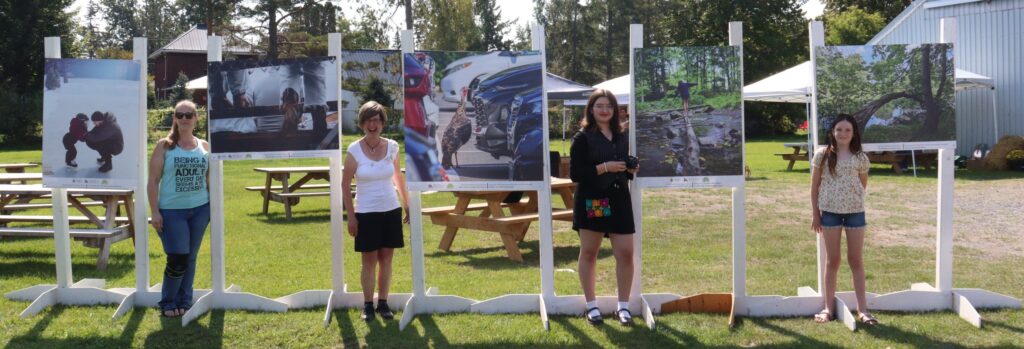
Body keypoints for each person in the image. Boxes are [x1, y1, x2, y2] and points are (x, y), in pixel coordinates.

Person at [569, 89, 639, 326]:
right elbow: (575, 174)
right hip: (594, 199)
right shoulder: (582, 137)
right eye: (599, 105)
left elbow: (624, 166)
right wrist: (605, 167)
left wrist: (629, 168)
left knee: (626, 254)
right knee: (590, 252)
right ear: (591, 109)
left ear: (615, 110)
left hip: (619, 200)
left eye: (609, 106)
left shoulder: (622, 136)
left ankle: (624, 307)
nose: (604, 110)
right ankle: (591, 306)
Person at [342, 101, 410, 321]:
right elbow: (345, 185)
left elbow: (397, 177)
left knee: (387, 259)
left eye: (377, 120)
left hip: (390, 209)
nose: (373, 124)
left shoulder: (392, 146)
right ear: (362, 123)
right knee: (369, 260)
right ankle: (368, 305)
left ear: (382, 123)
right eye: (369, 120)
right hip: (366, 212)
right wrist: (351, 218)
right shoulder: (354, 150)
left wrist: (406, 203)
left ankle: (383, 303)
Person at [810, 114, 877, 326]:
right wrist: (816, 214)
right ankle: (828, 308)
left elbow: (862, 183)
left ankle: (863, 310)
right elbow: (814, 187)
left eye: (847, 130)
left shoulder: (860, 158)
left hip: (856, 213)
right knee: (833, 260)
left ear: (854, 133)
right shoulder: (822, 155)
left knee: (856, 260)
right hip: (829, 213)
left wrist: (851, 200)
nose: (843, 133)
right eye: (839, 129)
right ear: (832, 132)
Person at [148, 100, 211, 318]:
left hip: (200, 209)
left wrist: (213, 207)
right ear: (174, 118)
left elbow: (209, 178)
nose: (184, 118)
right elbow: (153, 180)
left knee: (191, 256)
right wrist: (155, 212)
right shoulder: (164, 146)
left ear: (196, 118)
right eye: (180, 114)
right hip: (172, 210)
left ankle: (185, 300)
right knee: (178, 256)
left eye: (189, 114)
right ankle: (167, 303)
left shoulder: (204, 146)